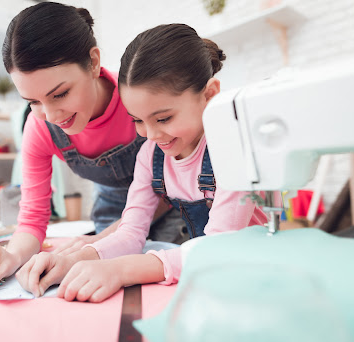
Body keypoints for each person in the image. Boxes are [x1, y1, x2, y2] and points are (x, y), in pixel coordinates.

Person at [18, 23, 270, 301]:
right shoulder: (151, 155)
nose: (151, 135)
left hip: (254, 274)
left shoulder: (231, 151)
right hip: (210, 277)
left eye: (163, 119)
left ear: (209, 95)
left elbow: (219, 247)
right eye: (137, 120)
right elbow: (131, 232)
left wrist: (121, 270)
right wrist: (73, 261)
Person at [0, 2, 179, 291]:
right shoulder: (39, 127)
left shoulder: (136, 97)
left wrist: (97, 244)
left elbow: (169, 186)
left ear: (94, 62)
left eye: (59, 94)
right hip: (112, 213)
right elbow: (33, 217)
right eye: (32, 102)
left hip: (172, 205)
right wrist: (10, 255)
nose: (51, 116)